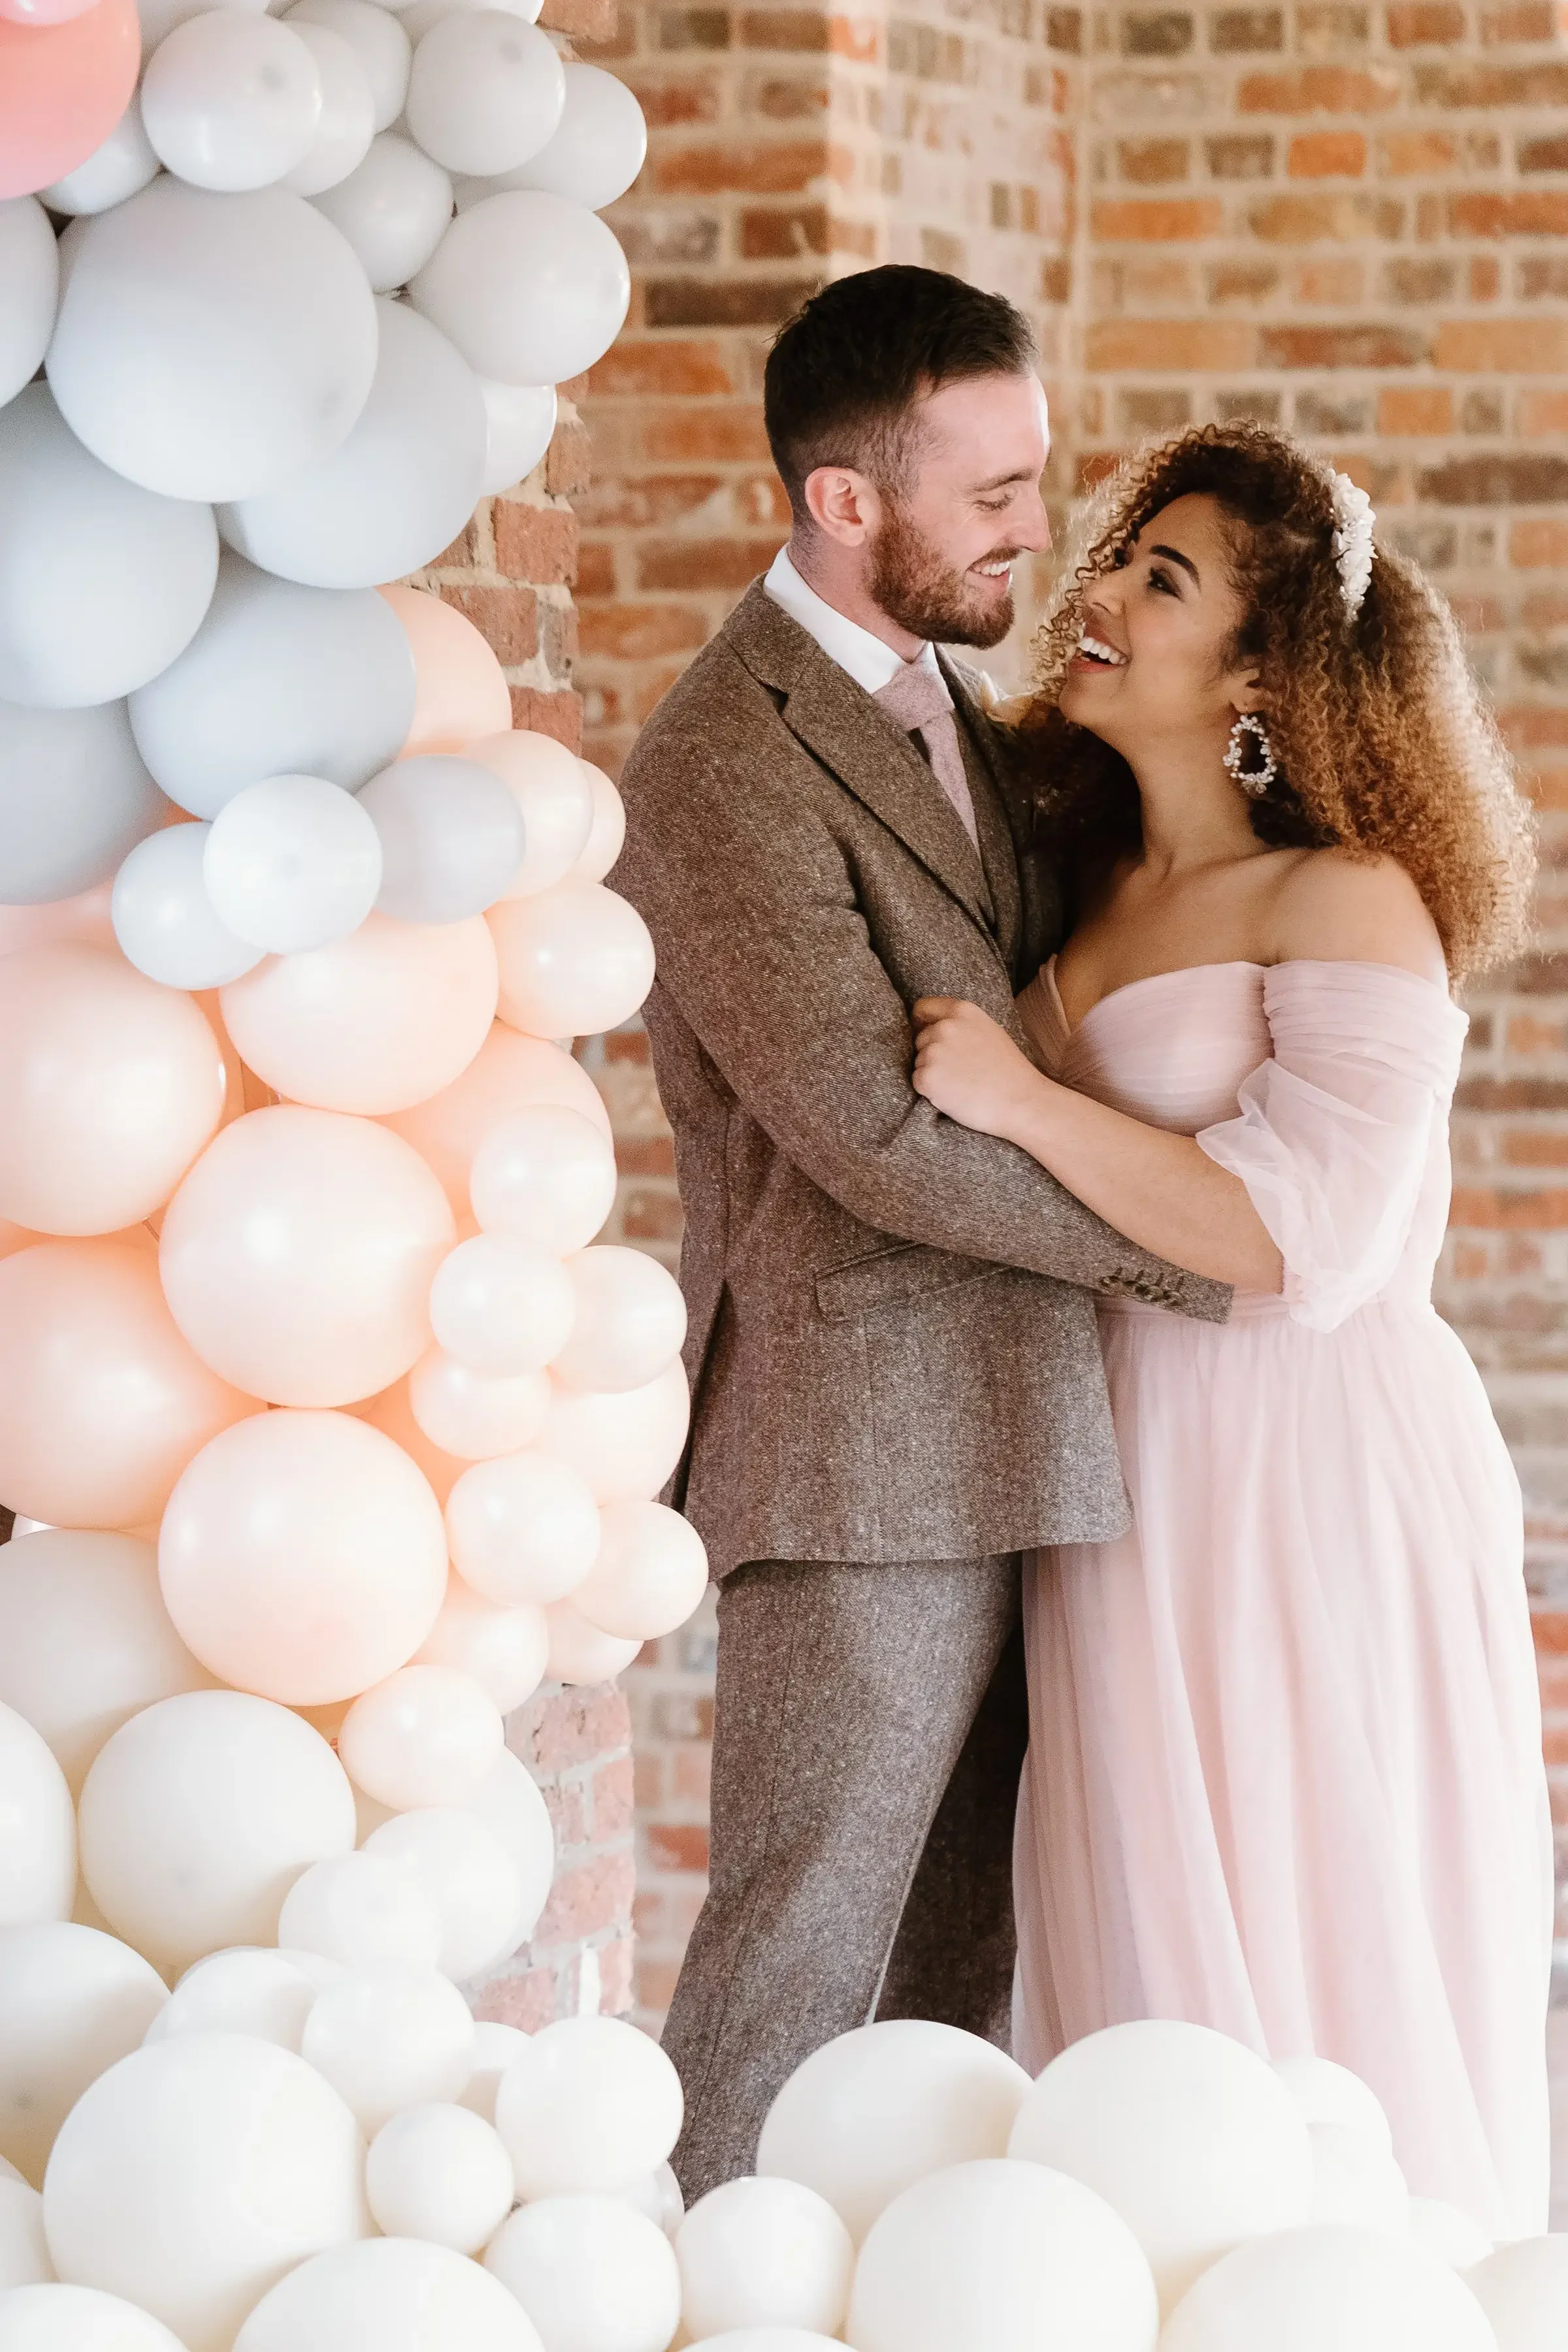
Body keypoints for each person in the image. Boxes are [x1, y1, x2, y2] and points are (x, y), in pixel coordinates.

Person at [614, 267, 1230, 2201]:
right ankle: (696, 2305)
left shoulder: (952, 703)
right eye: (997, 493)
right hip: (853, 1450)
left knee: (959, 1978)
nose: (1040, 530)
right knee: (798, 1963)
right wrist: (1192, 1245)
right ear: (845, 504)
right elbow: (876, 1132)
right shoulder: (722, 760)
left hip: (1022, 1421)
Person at [910, 419, 1552, 2238]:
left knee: (1316, 1907)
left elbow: (1310, 1246)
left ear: (1265, 674)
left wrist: (1023, 1103)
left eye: (1159, 580)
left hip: (1316, 1477)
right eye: (1118, 557)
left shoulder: (1343, 896)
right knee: (1142, 1942)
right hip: (1125, 1477)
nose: (1097, 595)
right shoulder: (1079, 897)